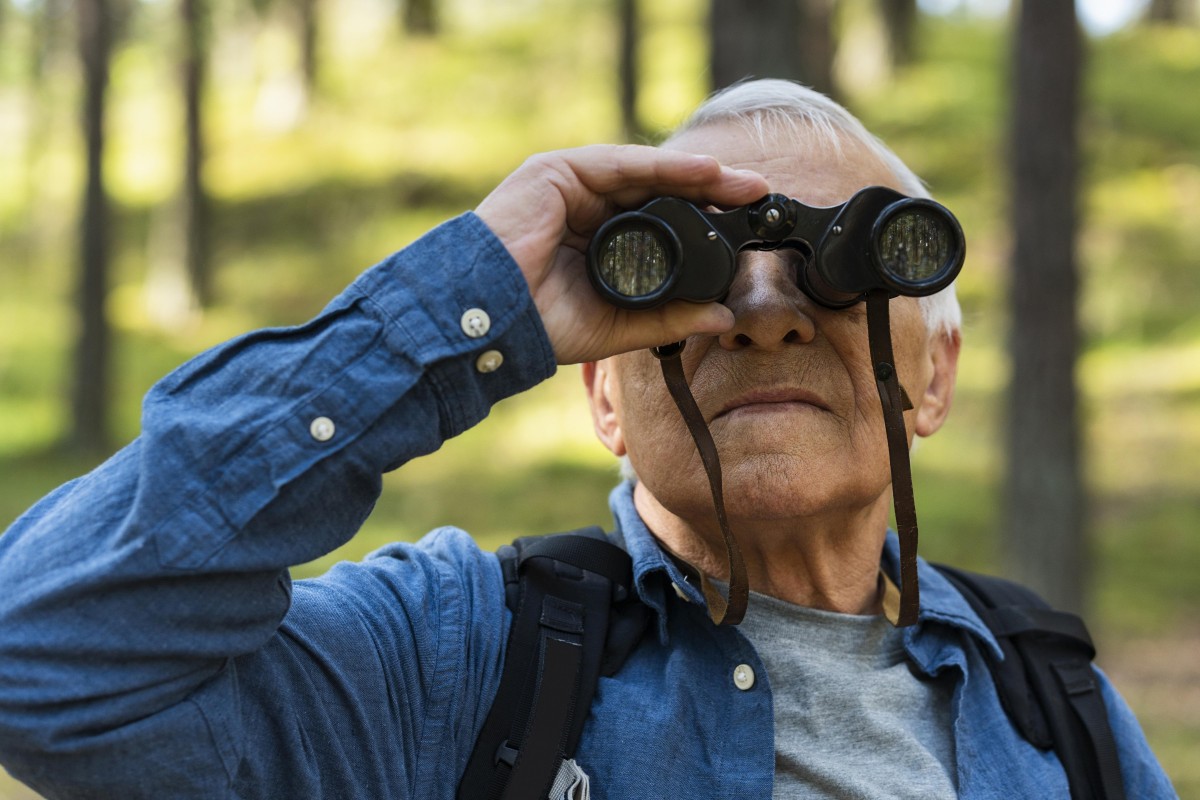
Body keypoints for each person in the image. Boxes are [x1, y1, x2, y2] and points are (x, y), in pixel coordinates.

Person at [0, 80, 1175, 799]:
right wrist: (466, 300)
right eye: (701, 278)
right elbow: (38, 654)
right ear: (602, 398)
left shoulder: (1049, 698)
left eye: (839, 267)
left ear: (936, 375)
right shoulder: (459, 662)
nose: (765, 314)